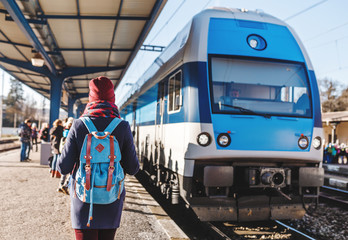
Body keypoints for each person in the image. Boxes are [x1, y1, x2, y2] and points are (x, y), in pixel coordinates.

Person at [58, 76, 139, 240]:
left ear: (91, 97)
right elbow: (132, 168)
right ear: (112, 98)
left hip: (83, 198)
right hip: (111, 197)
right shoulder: (122, 126)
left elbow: (63, 167)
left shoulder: (78, 125)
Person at [57, 117, 74, 195]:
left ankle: (61, 185)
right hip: (70, 151)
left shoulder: (65, 130)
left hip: (63, 150)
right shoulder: (72, 130)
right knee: (72, 171)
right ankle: (66, 185)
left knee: (64, 170)